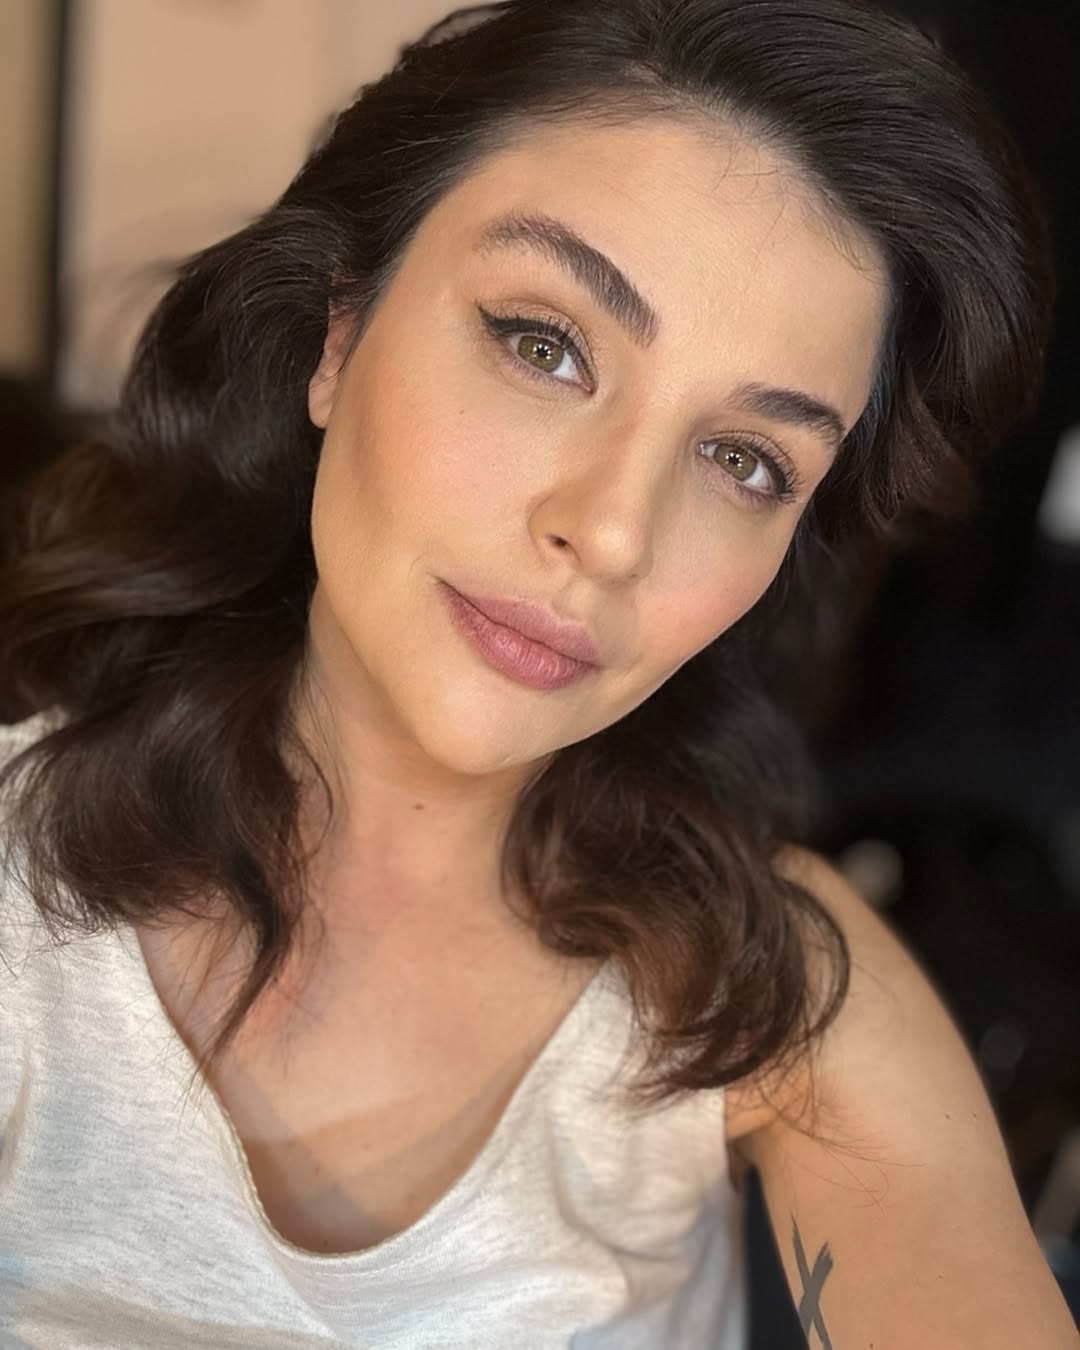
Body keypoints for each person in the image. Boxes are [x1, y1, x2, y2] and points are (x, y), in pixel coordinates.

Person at [0, 0, 1074, 1345]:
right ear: (338, 334)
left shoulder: (768, 987)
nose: (613, 532)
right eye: (544, 344)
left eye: (744, 460)